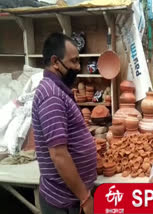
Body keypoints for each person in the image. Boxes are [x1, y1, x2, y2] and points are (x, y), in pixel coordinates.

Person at [32, 33, 96, 214]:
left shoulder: (58, 91)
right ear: (55, 62)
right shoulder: (51, 95)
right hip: (64, 202)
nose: (78, 67)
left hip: (71, 198)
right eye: (74, 61)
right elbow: (59, 155)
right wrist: (84, 197)